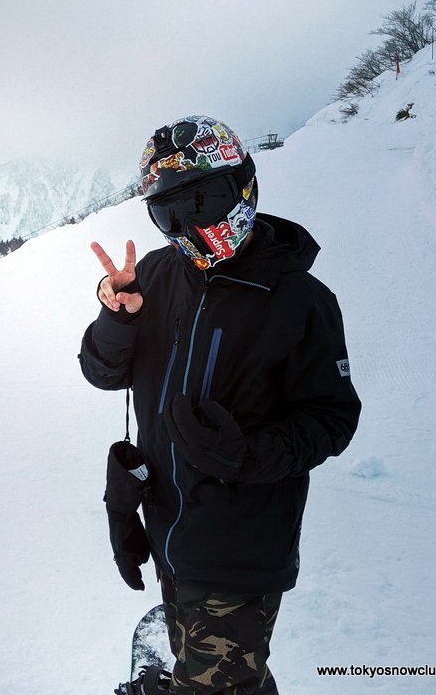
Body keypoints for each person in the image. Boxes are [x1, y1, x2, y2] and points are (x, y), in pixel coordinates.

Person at [79, 116, 362, 695]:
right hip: (166, 527)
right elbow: (102, 374)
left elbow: (332, 419)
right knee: (228, 678)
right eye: (169, 214)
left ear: (243, 186)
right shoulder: (154, 275)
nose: (190, 225)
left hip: (240, 549)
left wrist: (246, 455)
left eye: (202, 201)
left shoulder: (300, 301)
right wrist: (116, 321)